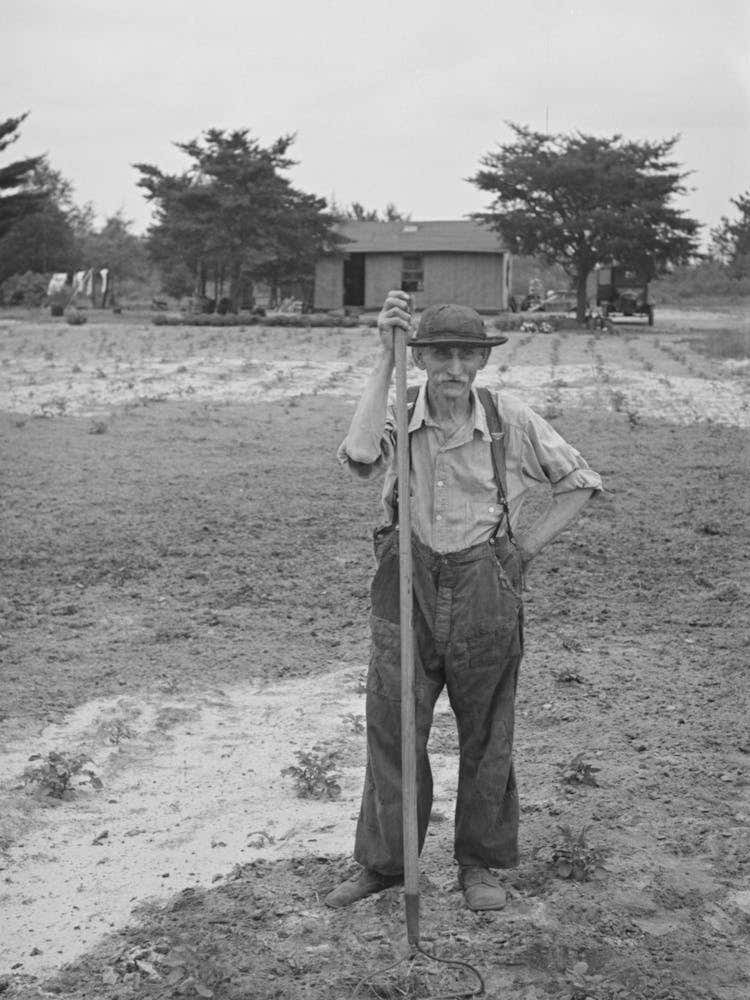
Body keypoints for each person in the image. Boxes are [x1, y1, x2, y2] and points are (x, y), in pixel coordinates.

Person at [326, 291, 602, 911]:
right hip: (406, 584)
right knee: (393, 727)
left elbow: (580, 483)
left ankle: (480, 865)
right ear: (420, 358)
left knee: (487, 731)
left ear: (482, 360)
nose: (454, 368)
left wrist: (523, 549)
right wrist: (383, 357)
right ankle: (386, 864)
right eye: (441, 354)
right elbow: (362, 456)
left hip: (485, 587)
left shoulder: (508, 419)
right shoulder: (398, 411)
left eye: (467, 355)